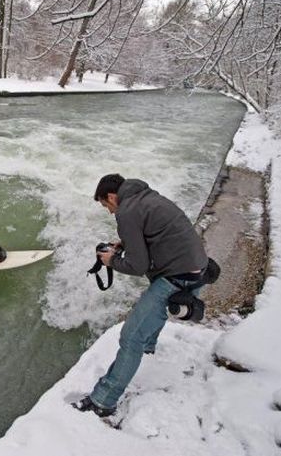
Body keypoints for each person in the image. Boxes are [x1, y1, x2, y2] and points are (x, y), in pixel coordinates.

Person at [73, 173, 209, 418]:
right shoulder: (147, 197)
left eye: (106, 205)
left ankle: (103, 401)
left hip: (177, 277)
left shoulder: (126, 213)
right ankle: (148, 348)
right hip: (199, 268)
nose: (109, 212)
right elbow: (154, 232)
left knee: (130, 337)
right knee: (151, 317)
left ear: (112, 196)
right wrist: (124, 244)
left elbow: (138, 266)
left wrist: (111, 260)